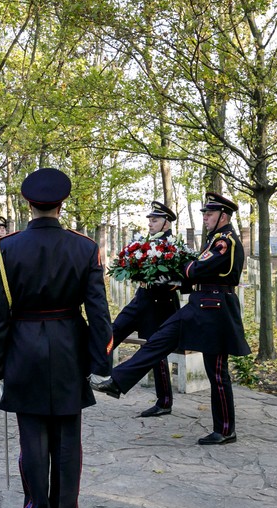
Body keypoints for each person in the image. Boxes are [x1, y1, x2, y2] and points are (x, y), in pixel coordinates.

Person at [0, 168, 113, 508]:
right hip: (70, 344)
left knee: (33, 435)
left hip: (24, 347)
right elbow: (99, 311)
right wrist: (100, 361)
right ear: (62, 204)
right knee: (68, 436)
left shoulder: (5, 248)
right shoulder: (85, 247)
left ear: (28, 203)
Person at [92, 191, 251, 446]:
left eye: (210, 214)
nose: (206, 218)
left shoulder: (226, 241)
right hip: (201, 305)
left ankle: (225, 429)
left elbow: (197, 268)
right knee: (158, 341)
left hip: (217, 309)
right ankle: (117, 382)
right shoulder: (215, 239)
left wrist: (179, 270)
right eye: (205, 214)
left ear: (224, 215)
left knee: (217, 372)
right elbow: (195, 271)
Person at [110, 201, 181, 418]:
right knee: (113, 332)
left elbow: (177, 278)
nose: (150, 223)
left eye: (155, 220)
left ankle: (164, 401)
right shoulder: (145, 243)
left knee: (154, 350)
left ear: (166, 223)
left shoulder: (173, 246)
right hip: (141, 298)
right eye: (150, 220)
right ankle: (90, 374)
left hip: (160, 303)